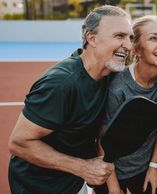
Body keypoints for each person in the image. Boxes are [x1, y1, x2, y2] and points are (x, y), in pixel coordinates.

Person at [7, 5, 133, 194]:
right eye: (119, 36)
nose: (129, 45)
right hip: (38, 186)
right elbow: (19, 143)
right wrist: (83, 167)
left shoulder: (108, 70)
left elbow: (147, 60)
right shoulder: (61, 84)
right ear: (92, 39)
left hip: (74, 181)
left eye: (130, 37)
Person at [93, 15, 157, 194]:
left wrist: (154, 166)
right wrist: (113, 187)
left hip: (144, 169)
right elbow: (102, 140)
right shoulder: (119, 88)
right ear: (136, 49)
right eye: (153, 38)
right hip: (110, 170)